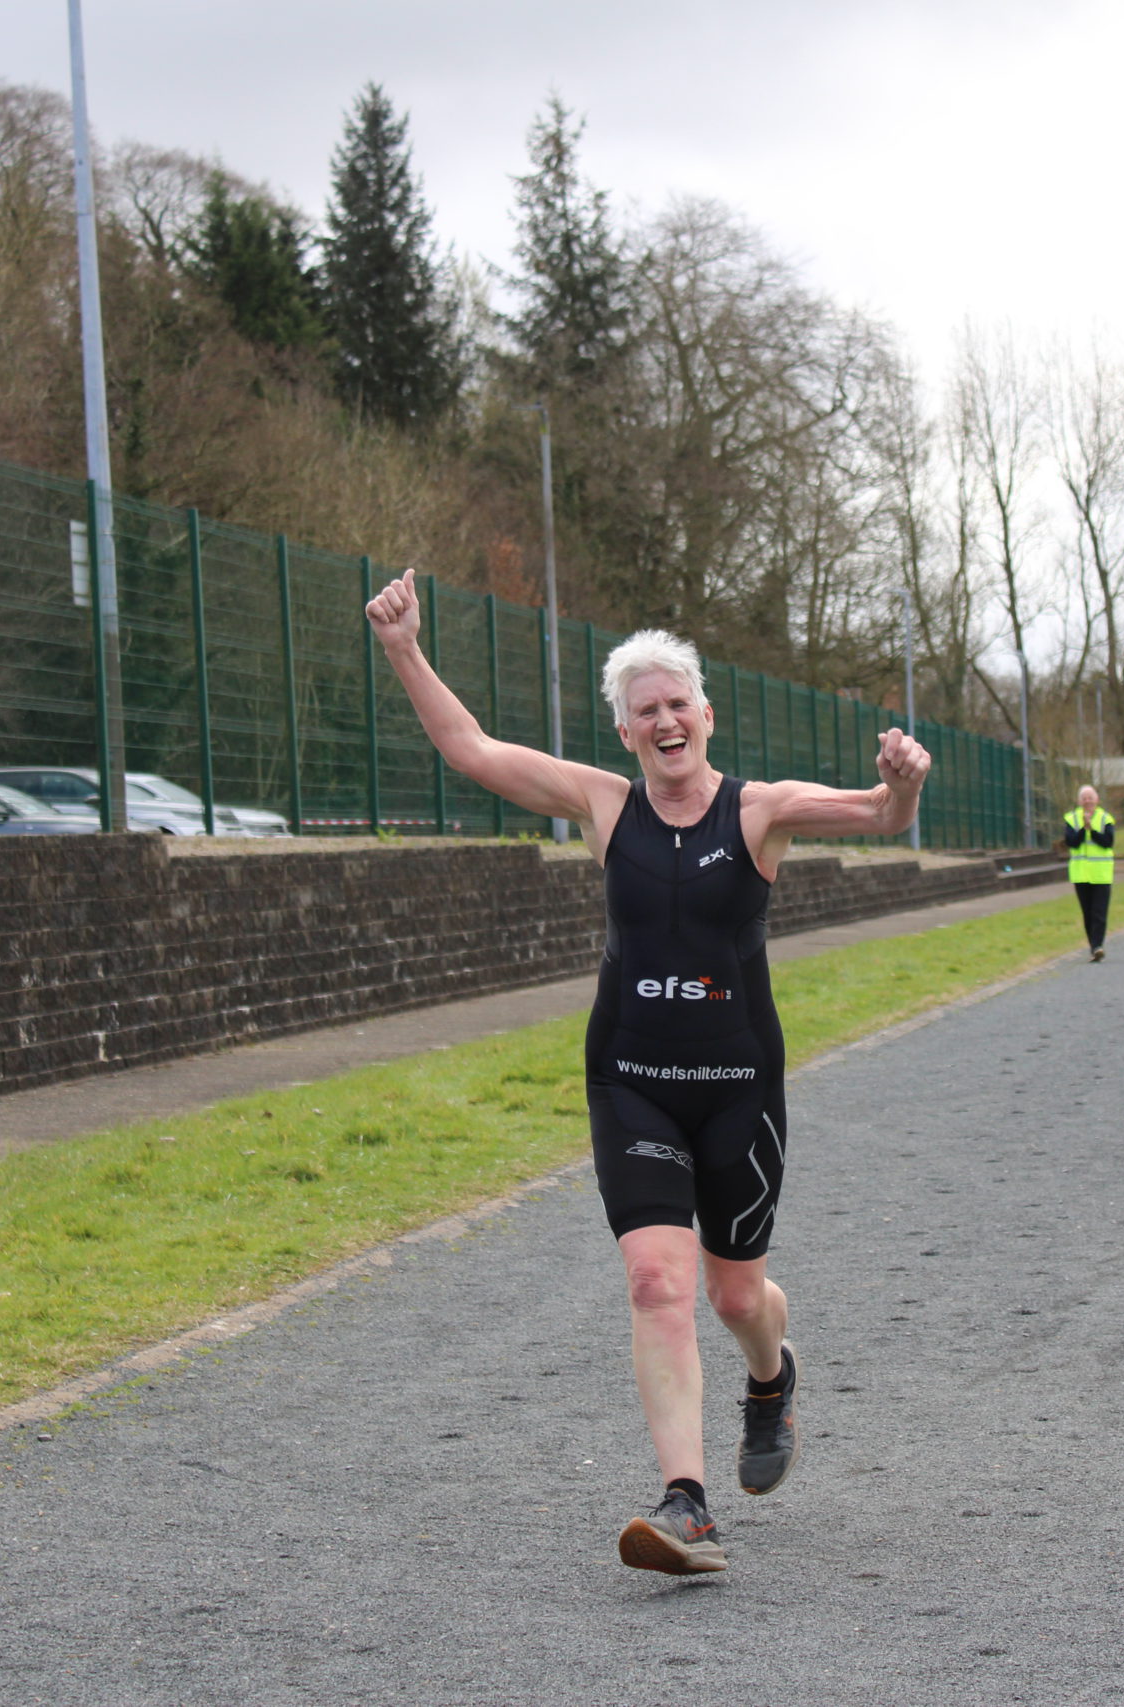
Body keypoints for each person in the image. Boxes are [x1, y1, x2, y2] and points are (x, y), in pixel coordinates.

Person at [363, 568, 929, 1576]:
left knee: (736, 1297)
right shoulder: (603, 805)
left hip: (737, 1090)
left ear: (705, 716)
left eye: (678, 704)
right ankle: (687, 1504)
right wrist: (405, 648)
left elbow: (881, 815)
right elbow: (473, 749)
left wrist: (904, 778)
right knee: (656, 1280)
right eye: (644, 711)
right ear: (625, 733)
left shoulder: (760, 813)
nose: (665, 722)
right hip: (630, 1079)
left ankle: (770, 1378)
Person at [1061, 785, 1116, 960]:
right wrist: (1083, 829)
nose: (1087, 801)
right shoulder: (1071, 819)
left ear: (1097, 800)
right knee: (1087, 912)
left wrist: (1092, 830)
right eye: (1084, 798)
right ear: (1079, 801)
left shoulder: (1105, 819)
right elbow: (1071, 842)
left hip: (1101, 874)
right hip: (1081, 874)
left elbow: (1108, 842)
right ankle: (1093, 945)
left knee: (1099, 911)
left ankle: (1097, 945)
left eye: (1090, 797)